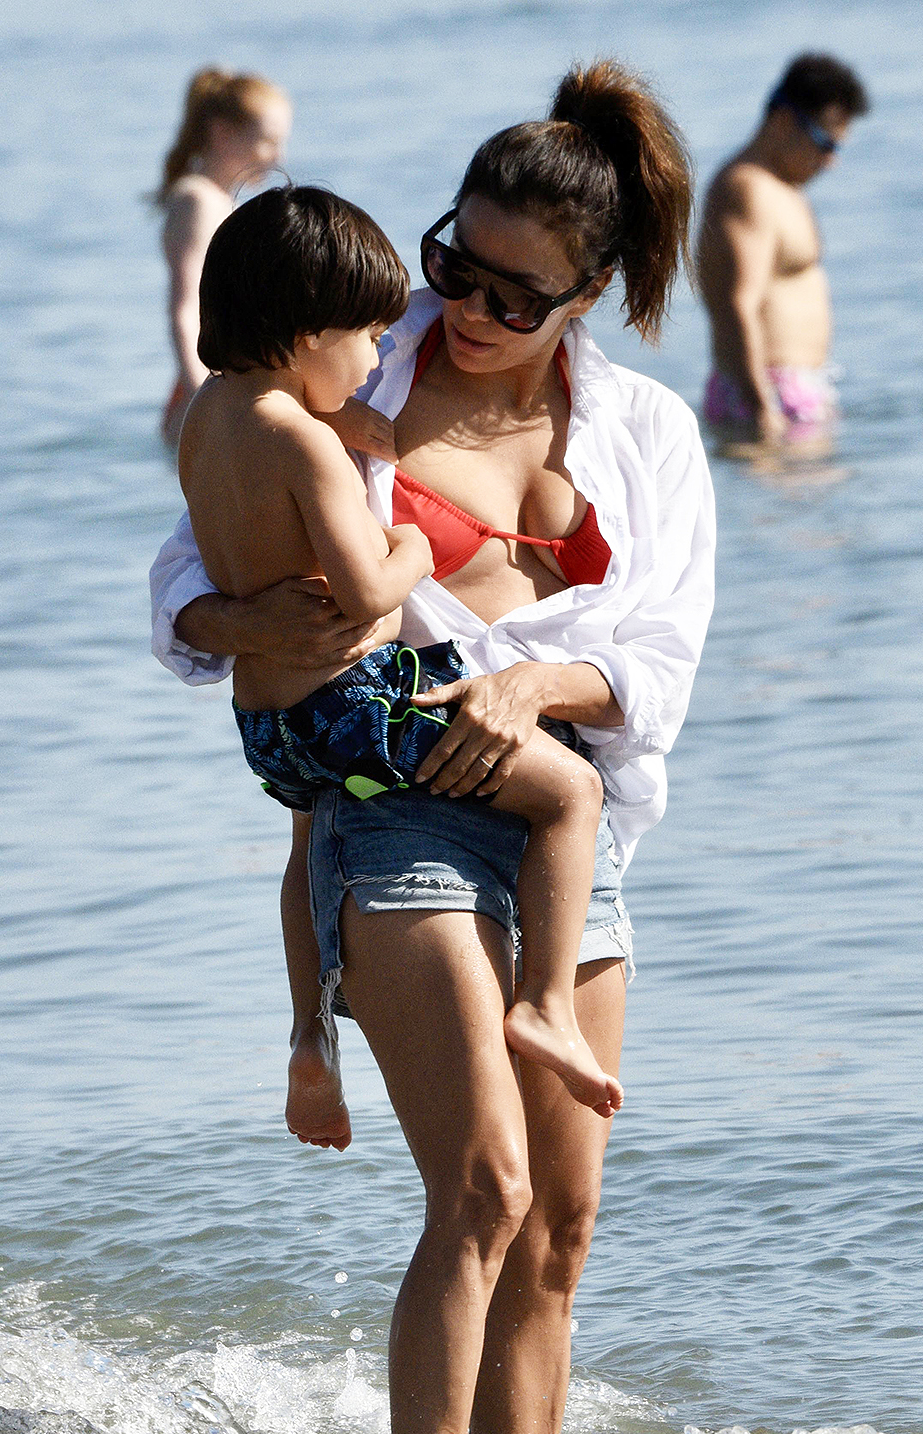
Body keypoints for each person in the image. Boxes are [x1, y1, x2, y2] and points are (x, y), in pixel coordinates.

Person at [151, 59, 715, 1434]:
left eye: (511, 297)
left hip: (571, 831)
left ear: (583, 299)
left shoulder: (648, 437)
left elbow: (661, 665)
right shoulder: (360, 352)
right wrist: (242, 615)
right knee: (481, 1192)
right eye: (456, 262)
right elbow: (182, 568)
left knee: (558, 1235)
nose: (463, 307)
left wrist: (535, 684)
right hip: (394, 806)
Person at [181, 184, 623, 1118]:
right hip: (352, 703)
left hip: (267, 724)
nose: (379, 352)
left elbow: (232, 539)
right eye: (364, 337)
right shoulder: (302, 442)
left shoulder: (207, 419)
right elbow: (367, 592)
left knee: (310, 840)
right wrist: (418, 544)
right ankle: (546, 1005)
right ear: (307, 337)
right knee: (570, 793)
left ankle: (309, 1028)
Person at [697, 53, 870, 453]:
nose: (831, 161)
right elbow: (739, 304)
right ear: (784, 120)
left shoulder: (782, 187)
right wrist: (762, 408)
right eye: (825, 143)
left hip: (793, 389)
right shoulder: (746, 188)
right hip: (765, 393)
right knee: (792, 515)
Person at [153, 67, 292, 449]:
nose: (277, 155)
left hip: (214, 386)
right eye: (267, 141)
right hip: (202, 390)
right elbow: (185, 310)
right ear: (222, 132)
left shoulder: (217, 200)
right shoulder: (198, 201)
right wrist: (205, 401)